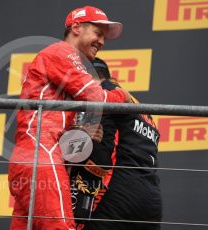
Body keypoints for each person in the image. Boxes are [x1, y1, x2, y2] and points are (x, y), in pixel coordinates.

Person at [8, 5, 129, 230]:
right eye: (97, 33)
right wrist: (122, 94)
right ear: (76, 28)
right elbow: (97, 98)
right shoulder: (61, 52)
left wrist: (81, 133)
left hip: (34, 156)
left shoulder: (64, 59)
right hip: (41, 154)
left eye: (103, 37)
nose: (101, 42)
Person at [70, 57, 162, 230]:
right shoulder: (143, 110)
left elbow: (101, 156)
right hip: (151, 201)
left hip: (117, 195)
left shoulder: (100, 95)